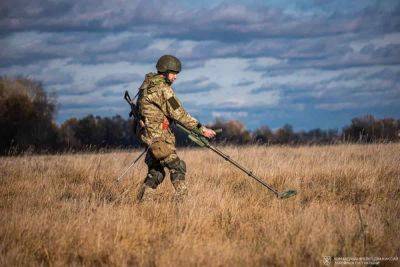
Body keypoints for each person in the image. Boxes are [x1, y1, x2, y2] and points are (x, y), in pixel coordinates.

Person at [135, 55, 216, 202]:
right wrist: (202, 129)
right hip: (158, 138)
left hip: (147, 137)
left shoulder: (146, 85)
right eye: (173, 73)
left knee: (156, 171)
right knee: (177, 167)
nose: (175, 77)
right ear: (165, 72)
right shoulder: (163, 90)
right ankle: (182, 202)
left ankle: (143, 202)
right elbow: (179, 114)